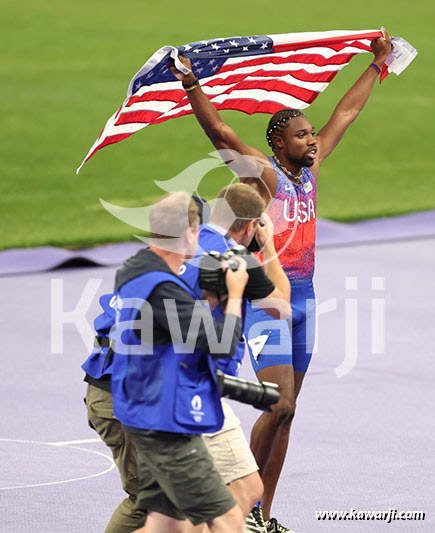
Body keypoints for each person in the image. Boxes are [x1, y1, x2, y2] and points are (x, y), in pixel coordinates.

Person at [170, 28, 393, 532]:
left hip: (306, 296)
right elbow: (222, 135)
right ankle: (238, 508)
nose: (313, 139)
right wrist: (190, 84)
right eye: (301, 135)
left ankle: (263, 517)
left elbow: (346, 114)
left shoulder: (309, 171)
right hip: (267, 298)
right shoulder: (265, 175)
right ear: (278, 143)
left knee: (289, 413)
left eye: (312, 135)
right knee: (280, 402)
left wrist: (377, 65)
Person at [109, 191, 251, 533]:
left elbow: (171, 329)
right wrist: (233, 295)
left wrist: (203, 300)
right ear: (190, 232)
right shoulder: (162, 288)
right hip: (167, 421)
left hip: (145, 411)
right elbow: (222, 344)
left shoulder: (136, 270)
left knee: (167, 525)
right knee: (228, 520)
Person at [81, 196, 209, 533]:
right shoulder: (173, 280)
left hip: (116, 392)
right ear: (190, 232)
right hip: (120, 400)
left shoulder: (143, 267)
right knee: (150, 501)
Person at [180, 183, 291, 532]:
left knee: (207, 495)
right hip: (200, 389)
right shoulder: (233, 257)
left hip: (161, 378)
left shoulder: (183, 244)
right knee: (236, 494)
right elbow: (280, 307)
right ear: (249, 225)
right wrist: (268, 245)